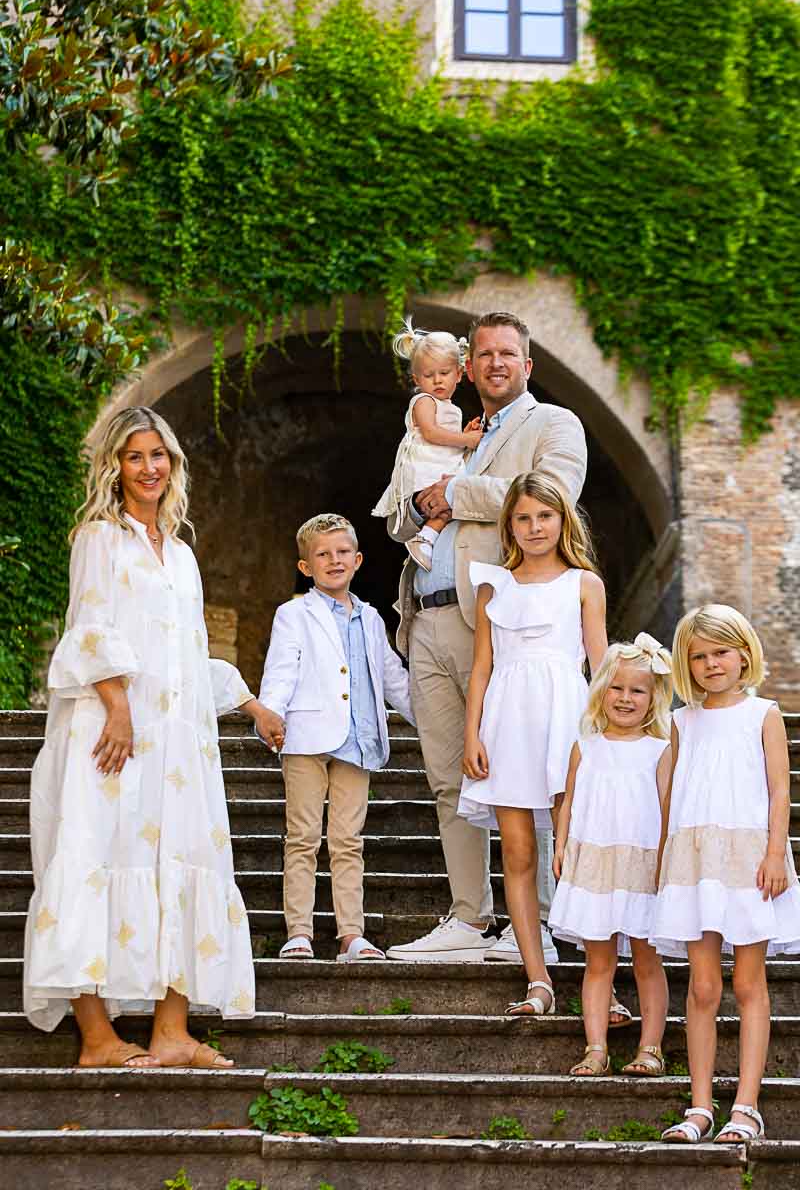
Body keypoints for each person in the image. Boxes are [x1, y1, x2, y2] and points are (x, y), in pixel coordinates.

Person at [24, 406, 274, 1068]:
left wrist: (246, 704)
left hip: (177, 746)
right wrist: (117, 707)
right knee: (92, 853)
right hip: (112, 734)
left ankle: (172, 1031)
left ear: (172, 462)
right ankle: (98, 1039)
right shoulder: (100, 539)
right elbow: (89, 628)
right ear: (115, 465)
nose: (149, 467)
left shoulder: (183, 554)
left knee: (184, 860)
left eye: (157, 454)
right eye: (135, 456)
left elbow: (187, 654)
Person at [384, 309, 588, 969]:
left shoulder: (553, 424)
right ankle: (469, 915)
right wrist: (418, 506)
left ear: (527, 366)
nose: (495, 363)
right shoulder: (444, 428)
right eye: (485, 354)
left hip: (506, 628)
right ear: (468, 367)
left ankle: (546, 924)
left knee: (531, 776)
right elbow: (398, 512)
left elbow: (552, 493)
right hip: (428, 618)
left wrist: (456, 491)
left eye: (508, 353)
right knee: (449, 776)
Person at [460, 472, 607, 1014]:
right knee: (518, 853)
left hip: (567, 719)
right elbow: (481, 667)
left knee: (577, 851)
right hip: (507, 721)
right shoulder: (493, 585)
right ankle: (538, 978)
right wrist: (472, 732)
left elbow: (600, 665)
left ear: (562, 520)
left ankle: (602, 979)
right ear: (510, 526)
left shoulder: (584, 585)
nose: (534, 527)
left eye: (544, 516)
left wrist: (603, 740)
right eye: (523, 518)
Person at [655, 604, 800, 1144]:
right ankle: (698, 1107)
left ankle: (745, 1107)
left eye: (721, 652)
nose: (711, 663)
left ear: (744, 654)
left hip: (748, 861)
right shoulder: (679, 721)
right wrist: (667, 863)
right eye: (698, 656)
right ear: (685, 665)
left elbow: (780, 789)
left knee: (747, 982)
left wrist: (775, 853)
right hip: (695, 862)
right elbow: (670, 796)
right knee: (703, 986)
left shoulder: (763, 713)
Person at [255, 513, 415, 962]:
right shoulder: (294, 614)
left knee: (349, 840)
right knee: (303, 835)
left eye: (343, 552)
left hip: (358, 741)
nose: (334, 560)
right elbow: (282, 668)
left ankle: (351, 934)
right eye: (322, 554)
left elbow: (392, 677)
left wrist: (430, 720)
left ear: (359, 559)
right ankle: (299, 931)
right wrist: (270, 712)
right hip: (306, 737)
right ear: (306, 567)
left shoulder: (370, 617)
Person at [549, 635, 672, 1076]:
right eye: (617, 688)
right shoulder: (586, 747)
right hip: (596, 864)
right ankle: (596, 1047)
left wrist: (664, 862)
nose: (625, 698)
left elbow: (665, 811)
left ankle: (651, 1047)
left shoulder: (660, 751)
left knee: (646, 959)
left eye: (637, 690)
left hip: (642, 866)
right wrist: (561, 846)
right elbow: (570, 801)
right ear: (601, 690)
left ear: (654, 696)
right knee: (598, 961)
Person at [372, 319, 480, 572]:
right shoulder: (424, 401)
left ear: (459, 374)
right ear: (417, 379)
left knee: (455, 501)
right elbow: (431, 433)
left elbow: (445, 440)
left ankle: (430, 541)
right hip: (424, 467)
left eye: (444, 373)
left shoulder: (452, 408)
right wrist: (466, 440)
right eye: (429, 375)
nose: (437, 381)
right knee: (449, 501)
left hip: (439, 462)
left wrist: (463, 437)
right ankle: (425, 539)